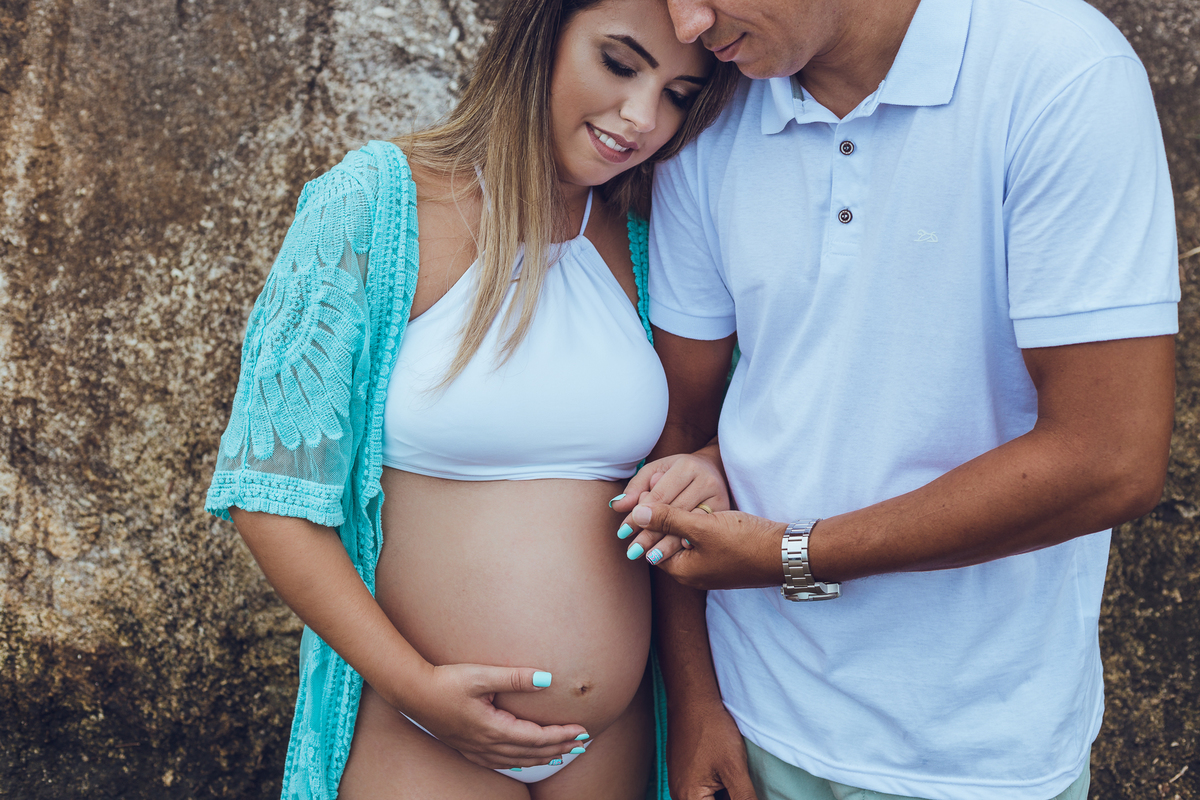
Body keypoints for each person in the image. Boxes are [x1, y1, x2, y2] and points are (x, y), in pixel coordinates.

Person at [609, 0, 1181, 798]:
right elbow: (677, 435)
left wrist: (794, 556)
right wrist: (699, 702)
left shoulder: (1060, 69)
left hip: (978, 750)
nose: (690, 24)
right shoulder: (712, 109)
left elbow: (1110, 460)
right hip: (755, 719)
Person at [204, 1, 738, 797]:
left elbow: (710, 430)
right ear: (540, 33)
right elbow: (270, 495)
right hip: (423, 733)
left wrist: (709, 463)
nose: (642, 117)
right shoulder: (375, 204)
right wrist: (415, 688)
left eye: (679, 95)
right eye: (620, 64)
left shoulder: (647, 228)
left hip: (613, 742)